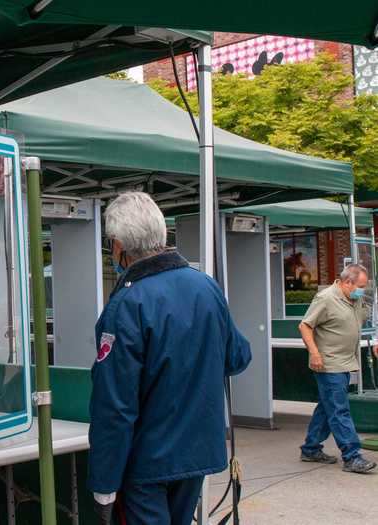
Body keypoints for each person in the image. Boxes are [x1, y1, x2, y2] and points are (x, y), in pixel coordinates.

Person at [88, 192, 252, 525]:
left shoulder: (126, 305)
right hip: (196, 455)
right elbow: (238, 357)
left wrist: (103, 486)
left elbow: (115, 406)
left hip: (146, 464)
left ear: (118, 245)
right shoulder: (206, 287)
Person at [299, 264, 378, 473]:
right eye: (360, 286)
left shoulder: (354, 298)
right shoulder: (326, 298)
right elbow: (305, 325)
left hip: (347, 362)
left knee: (327, 408)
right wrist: (315, 353)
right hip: (328, 364)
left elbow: (365, 319)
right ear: (347, 282)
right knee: (339, 410)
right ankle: (352, 456)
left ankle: (310, 448)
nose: (363, 290)